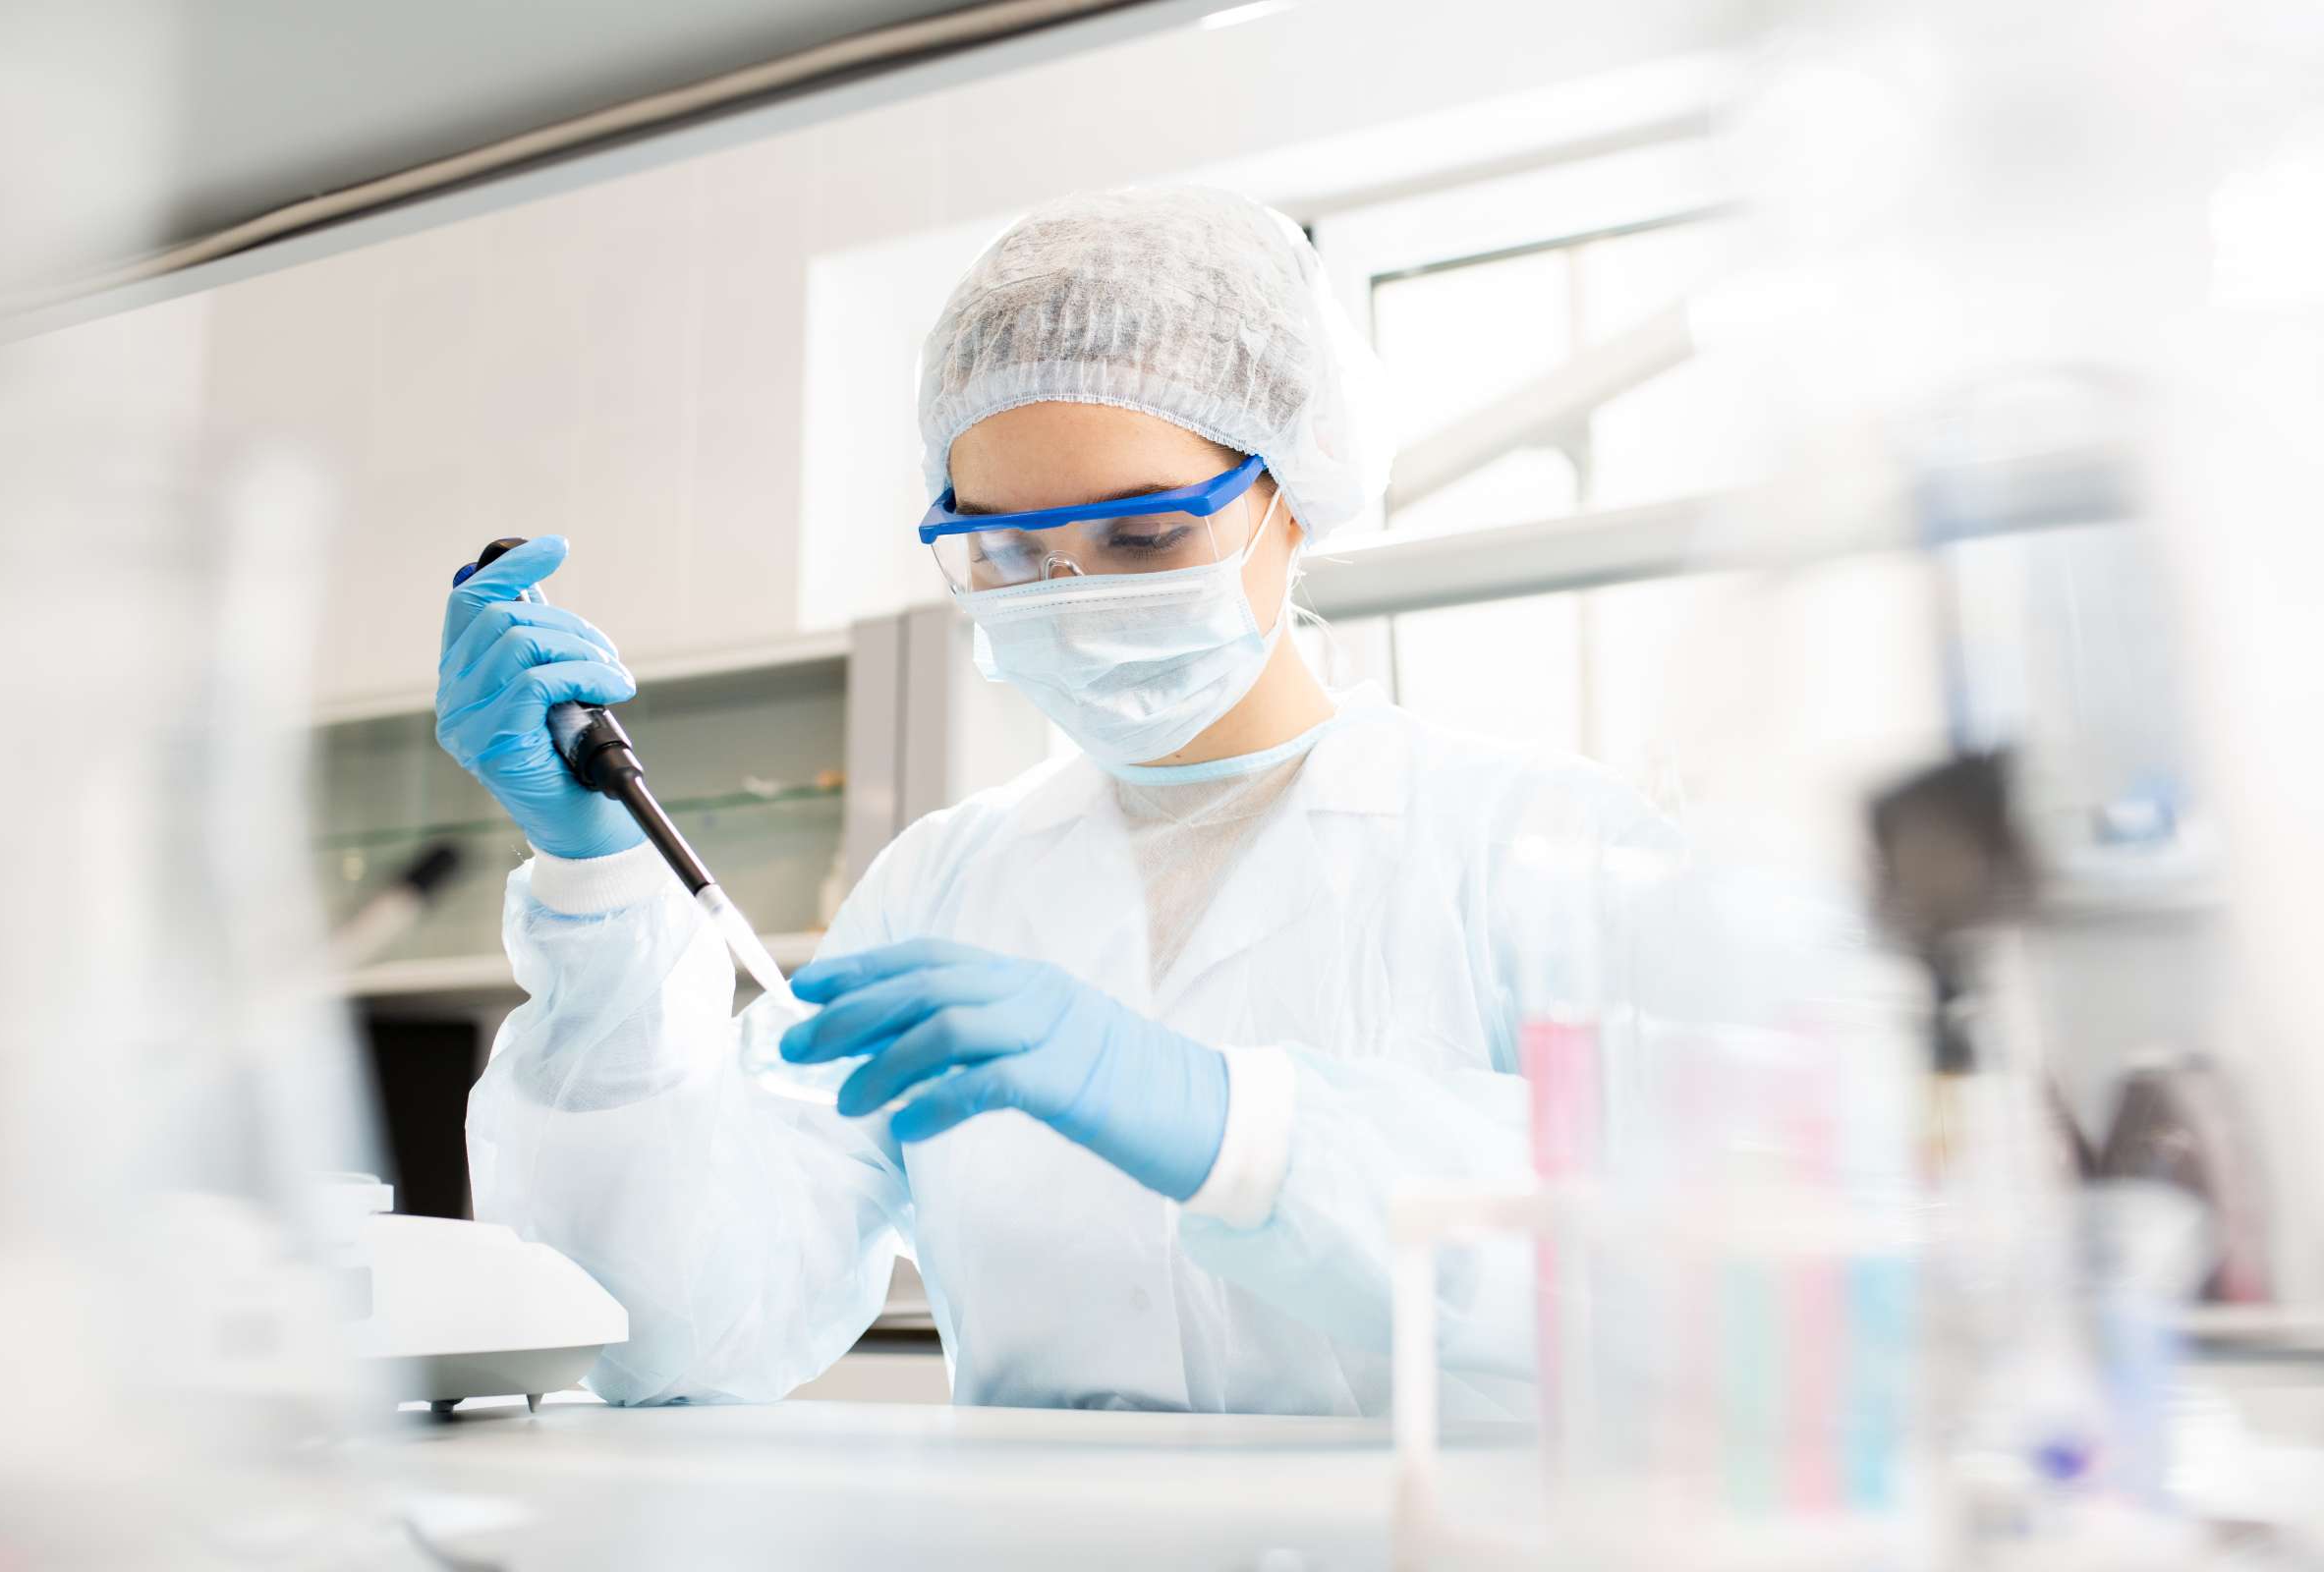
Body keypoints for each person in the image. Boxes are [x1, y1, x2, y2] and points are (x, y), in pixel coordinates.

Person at [438, 186, 1671, 1416]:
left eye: (1141, 538)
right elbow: (669, 1337)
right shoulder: (942, 886)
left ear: (1294, 494)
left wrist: (1243, 1129)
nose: (1075, 596)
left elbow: (1695, 1277)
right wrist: (595, 881)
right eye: (1011, 556)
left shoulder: (1538, 849)